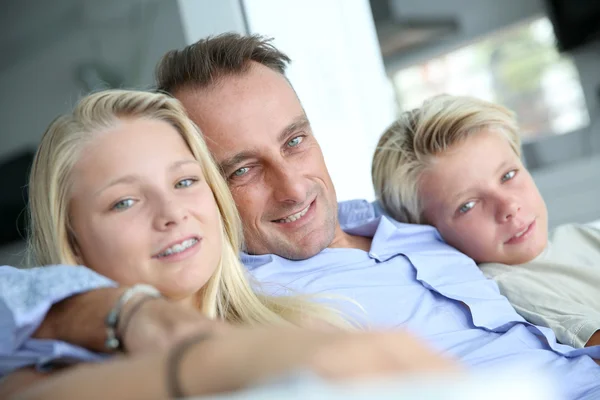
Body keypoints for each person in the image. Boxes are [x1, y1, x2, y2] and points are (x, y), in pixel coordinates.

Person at [2, 34, 600, 399]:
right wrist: (126, 311)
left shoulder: (403, 220)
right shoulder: (228, 288)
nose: (293, 189)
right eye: (242, 170)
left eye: (294, 141)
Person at [0, 89, 458, 399]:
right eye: (124, 201)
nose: (172, 212)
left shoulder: (309, 318)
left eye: (184, 181)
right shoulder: (47, 373)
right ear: (74, 242)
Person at [372, 94, 600, 349]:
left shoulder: (579, 235)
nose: (508, 207)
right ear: (430, 232)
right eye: (467, 206)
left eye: (508, 175)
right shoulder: (505, 284)